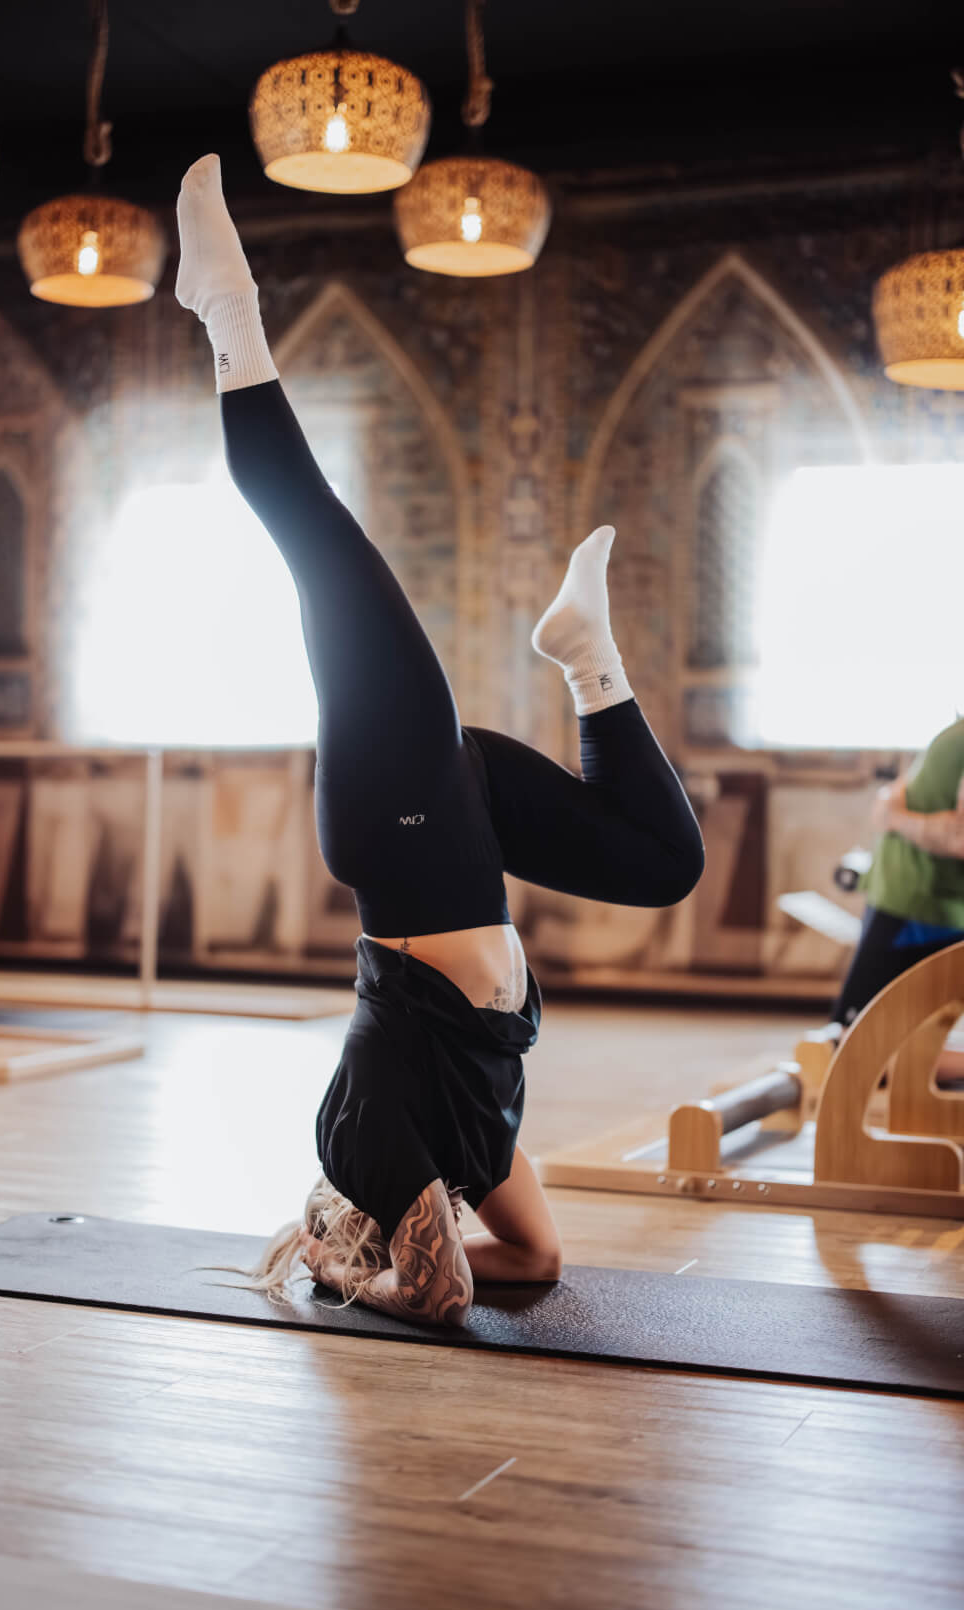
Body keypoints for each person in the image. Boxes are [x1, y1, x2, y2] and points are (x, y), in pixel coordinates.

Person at [175, 155, 704, 1328]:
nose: (333, 1227)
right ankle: (585, 655)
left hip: (401, 835)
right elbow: (533, 1265)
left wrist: (347, 1273)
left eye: (327, 1227)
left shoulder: (363, 1138)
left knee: (324, 554)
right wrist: (381, 1262)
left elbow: (442, 1291)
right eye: (331, 1233)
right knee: (663, 863)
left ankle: (224, 312)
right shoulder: (477, 1152)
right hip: (460, 831)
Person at [831, 717, 964, 1029]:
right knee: (861, 1035)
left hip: (922, 905)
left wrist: (894, 815)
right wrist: (893, 811)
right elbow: (896, 791)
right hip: (911, 899)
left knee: (859, 1042)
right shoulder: (955, 736)